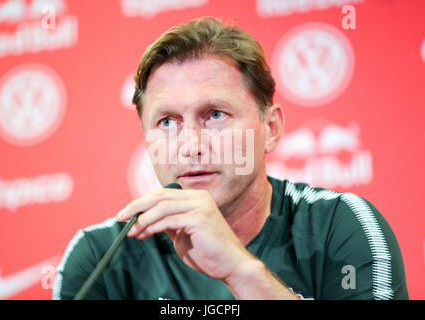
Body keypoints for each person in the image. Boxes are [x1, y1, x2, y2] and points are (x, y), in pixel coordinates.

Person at [52, 17, 408, 300]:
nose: (190, 145)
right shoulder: (101, 258)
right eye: (167, 122)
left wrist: (240, 271)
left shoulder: (339, 227)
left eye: (215, 115)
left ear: (270, 128)